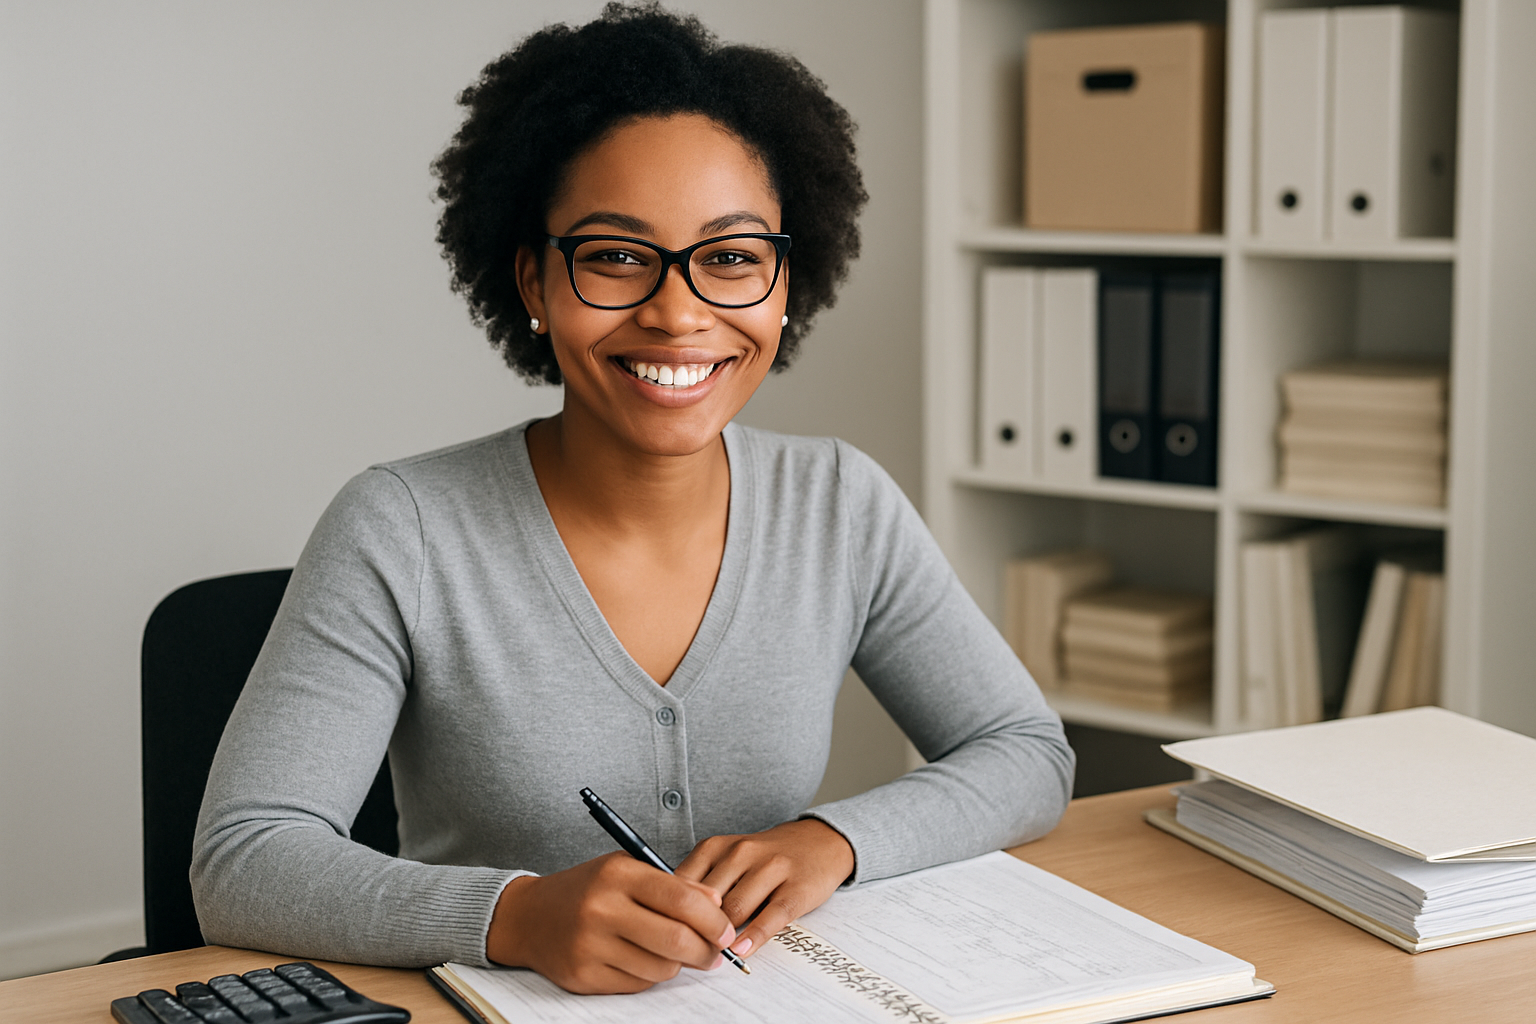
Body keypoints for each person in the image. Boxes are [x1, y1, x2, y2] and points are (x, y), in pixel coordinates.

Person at [192, 2, 1073, 996]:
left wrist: (832, 840)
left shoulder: (840, 503)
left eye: (733, 257)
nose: (678, 311)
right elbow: (245, 860)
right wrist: (516, 915)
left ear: (787, 285)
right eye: (615, 255)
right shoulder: (403, 527)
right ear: (534, 280)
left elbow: (1025, 753)